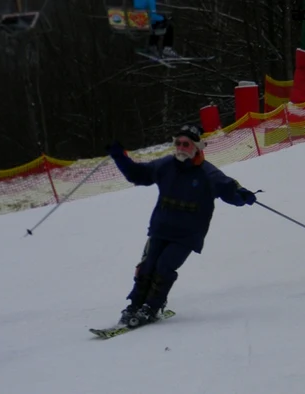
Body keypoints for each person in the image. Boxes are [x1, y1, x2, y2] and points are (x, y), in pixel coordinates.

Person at [105, 125, 257, 326]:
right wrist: (119, 157)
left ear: (196, 147)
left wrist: (242, 195)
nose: (181, 148)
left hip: (187, 234)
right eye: (178, 143)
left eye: (186, 144)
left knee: (164, 266)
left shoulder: (207, 173)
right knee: (147, 266)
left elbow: (229, 188)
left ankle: (151, 307)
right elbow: (138, 175)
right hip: (161, 228)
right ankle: (135, 305)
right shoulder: (165, 165)